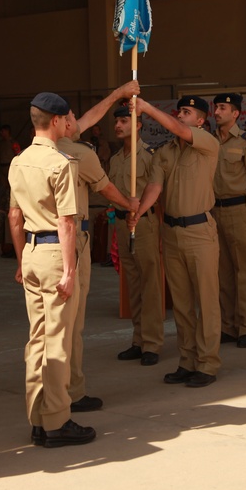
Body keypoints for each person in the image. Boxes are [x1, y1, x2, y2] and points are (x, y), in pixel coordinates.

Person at [7, 92, 94, 448]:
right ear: (57, 121)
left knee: (37, 339)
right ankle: (57, 420)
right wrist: (71, 270)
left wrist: (20, 259)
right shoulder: (62, 162)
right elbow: (67, 222)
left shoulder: (18, 161)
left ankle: (38, 418)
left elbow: (13, 217)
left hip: (30, 252)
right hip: (57, 253)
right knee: (57, 340)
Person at [128, 95, 221, 388]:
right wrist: (139, 212)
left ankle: (207, 363)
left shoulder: (207, 143)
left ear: (201, 121)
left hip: (199, 231)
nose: (180, 116)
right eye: (179, 111)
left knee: (205, 300)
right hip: (170, 232)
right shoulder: (165, 151)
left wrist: (147, 108)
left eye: (187, 112)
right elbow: (155, 185)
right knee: (181, 303)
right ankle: (187, 360)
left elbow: (181, 132)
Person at [58, 85, 140, 412]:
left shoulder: (26, 157)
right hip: (69, 242)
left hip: (38, 246)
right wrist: (130, 204)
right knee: (71, 325)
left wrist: (119, 92)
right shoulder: (78, 153)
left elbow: (13, 214)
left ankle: (47, 397)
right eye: (71, 118)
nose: (77, 120)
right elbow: (106, 188)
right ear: (62, 122)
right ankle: (70, 394)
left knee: (46, 331)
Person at [109, 104, 164, 366]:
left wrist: (138, 211)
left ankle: (152, 342)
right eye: (117, 121)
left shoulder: (150, 155)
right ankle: (138, 339)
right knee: (132, 283)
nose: (119, 125)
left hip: (142, 223)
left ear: (138, 125)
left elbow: (156, 190)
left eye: (124, 121)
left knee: (150, 282)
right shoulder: (116, 159)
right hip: (121, 223)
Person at [210, 93, 246, 349]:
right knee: (223, 273)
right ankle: (228, 326)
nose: (217, 112)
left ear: (235, 113)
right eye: (216, 107)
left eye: (222, 108)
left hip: (239, 211)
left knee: (243, 271)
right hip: (214, 212)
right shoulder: (208, 141)